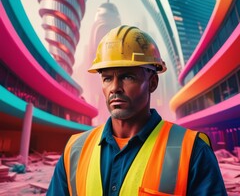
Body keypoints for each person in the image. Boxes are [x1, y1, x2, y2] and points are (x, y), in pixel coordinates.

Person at [47, 25, 227, 195]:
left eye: (127, 77)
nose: (114, 88)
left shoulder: (192, 150)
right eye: (107, 78)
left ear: (152, 83)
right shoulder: (75, 150)